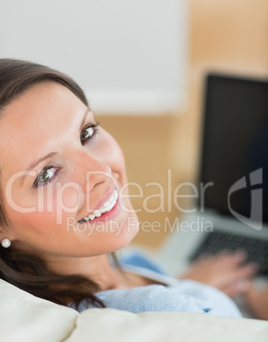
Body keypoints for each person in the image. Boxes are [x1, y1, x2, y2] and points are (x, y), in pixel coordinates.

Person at [0, 58, 265, 319]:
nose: (102, 172)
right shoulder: (163, 312)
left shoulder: (117, 267)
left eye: (86, 133)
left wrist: (188, 287)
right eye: (46, 173)